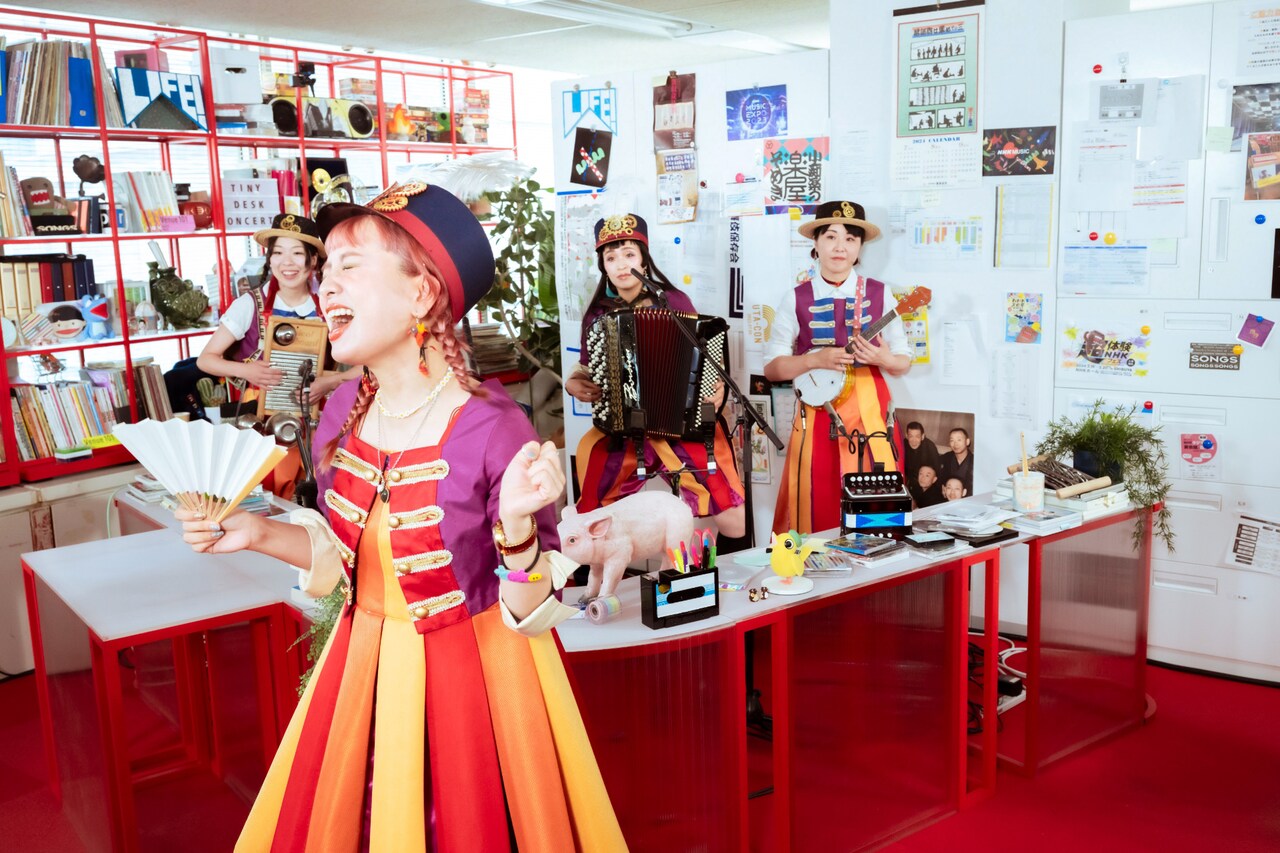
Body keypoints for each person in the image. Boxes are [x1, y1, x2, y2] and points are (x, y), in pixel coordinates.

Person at [178, 183, 625, 851]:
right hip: (364, 668)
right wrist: (259, 532)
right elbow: (353, 559)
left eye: (350, 266)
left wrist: (517, 529)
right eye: (327, 268)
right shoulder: (344, 410)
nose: (327, 286)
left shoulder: (494, 425)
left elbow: (532, 609)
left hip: (478, 683)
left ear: (421, 294)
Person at [566, 212, 746, 538]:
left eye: (629, 254)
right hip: (623, 430)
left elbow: (702, 357)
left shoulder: (673, 301)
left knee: (734, 522)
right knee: (590, 521)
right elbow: (585, 368)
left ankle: (693, 560)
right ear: (603, 266)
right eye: (611, 258)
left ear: (644, 260)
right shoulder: (597, 314)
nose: (621, 265)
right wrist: (572, 382)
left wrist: (716, 387)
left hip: (680, 425)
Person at [763, 200, 912, 534]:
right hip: (817, 414)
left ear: (860, 247)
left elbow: (902, 360)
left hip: (871, 412)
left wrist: (883, 359)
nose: (840, 247)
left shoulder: (881, 293)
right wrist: (814, 360)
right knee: (816, 493)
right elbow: (772, 369)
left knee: (875, 494)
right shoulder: (795, 298)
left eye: (850, 238)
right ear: (815, 244)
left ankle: (875, 560)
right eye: (830, 236)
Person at [196, 213, 358, 403]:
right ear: (270, 259)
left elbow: (368, 365)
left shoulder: (329, 306)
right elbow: (205, 360)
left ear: (313, 259)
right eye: (278, 253)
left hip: (317, 413)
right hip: (258, 413)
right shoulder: (249, 304)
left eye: (297, 253)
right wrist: (246, 370)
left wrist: (330, 382)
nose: (287, 262)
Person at [902, 420, 941, 489]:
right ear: (906, 436)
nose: (914, 440)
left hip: (927, 484)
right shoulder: (903, 444)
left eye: (917, 436)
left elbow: (937, 470)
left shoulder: (930, 446)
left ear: (922, 436)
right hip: (910, 483)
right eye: (911, 436)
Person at [938, 427, 974, 496]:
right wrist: (942, 485)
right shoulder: (946, 457)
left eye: (959, 440)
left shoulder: (975, 462)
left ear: (967, 442)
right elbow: (939, 476)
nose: (955, 444)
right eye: (952, 440)